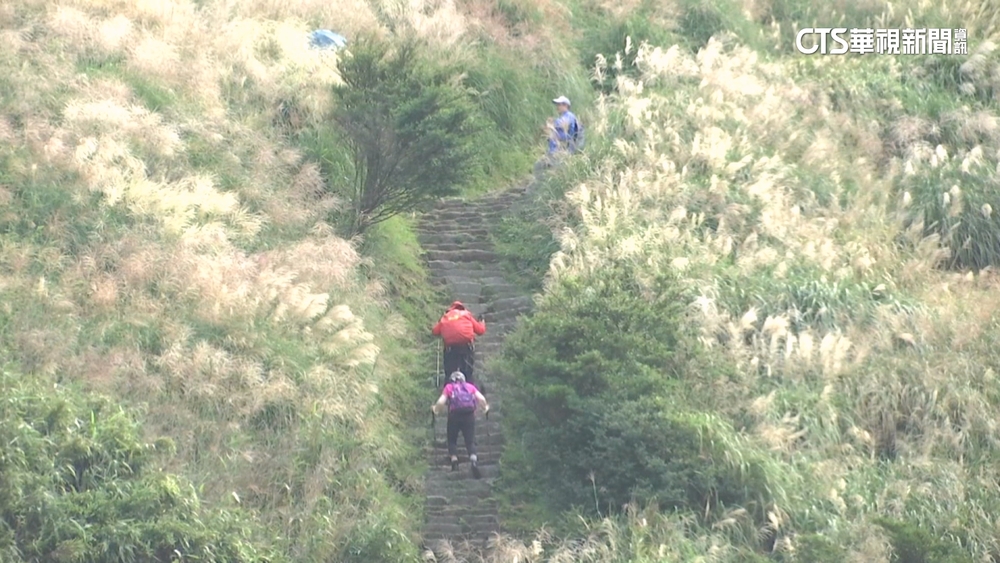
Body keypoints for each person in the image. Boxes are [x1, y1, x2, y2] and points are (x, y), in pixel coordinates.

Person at [432, 371, 489, 477]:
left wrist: (436, 410)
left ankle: (454, 461)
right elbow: (481, 399)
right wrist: (485, 408)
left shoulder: (449, 387)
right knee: (470, 441)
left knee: (452, 440)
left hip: (454, 415)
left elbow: (441, 402)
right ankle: (473, 460)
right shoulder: (470, 387)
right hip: (469, 415)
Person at [431, 301, 486, 385]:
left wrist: (437, 323)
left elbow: (435, 332)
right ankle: (468, 388)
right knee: (468, 373)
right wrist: (482, 322)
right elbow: (480, 331)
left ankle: (448, 389)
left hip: (450, 349)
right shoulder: (467, 315)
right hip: (466, 346)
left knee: (449, 374)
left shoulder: (445, 317)